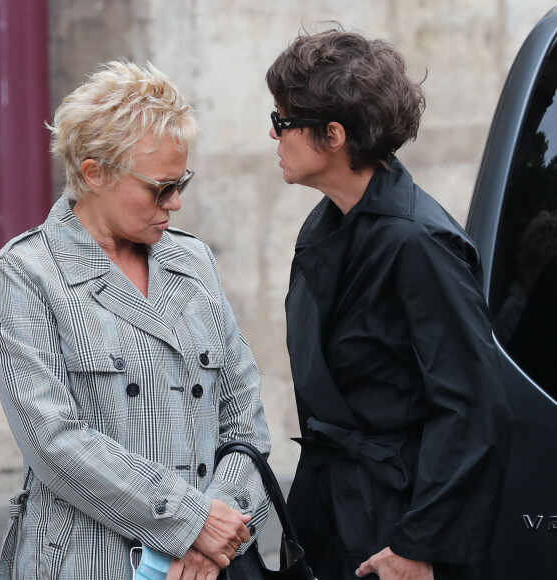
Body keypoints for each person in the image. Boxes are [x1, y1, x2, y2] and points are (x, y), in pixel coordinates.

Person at [0, 60, 270, 580]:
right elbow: (54, 441)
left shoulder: (192, 261)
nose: (176, 203)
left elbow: (245, 417)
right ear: (95, 173)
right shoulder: (27, 273)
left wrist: (218, 535)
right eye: (160, 188)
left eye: (181, 183)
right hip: (85, 564)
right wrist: (189, 521)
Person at [265, 28, 511, 580]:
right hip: (330, 512)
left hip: (395, 527)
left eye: (282, 122)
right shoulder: (327, 224)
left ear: (332, 134)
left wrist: (419, 545)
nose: (274, 137)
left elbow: (472, 407)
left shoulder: (418, 242)